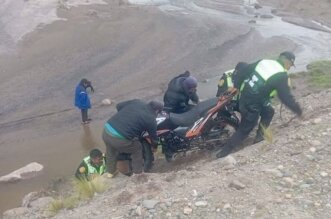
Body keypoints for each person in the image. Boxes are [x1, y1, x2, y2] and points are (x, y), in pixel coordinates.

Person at [216, 51, 303, 158]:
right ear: (287, 61)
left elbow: (244, 70)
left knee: (269, 111)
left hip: (246, 97)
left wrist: (236, 86)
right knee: (245, 128)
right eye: (290, 64)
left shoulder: (264, 62)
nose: (289, 67)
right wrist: (298, 110)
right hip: (253, 103)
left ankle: (259, 137)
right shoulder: (281, 75)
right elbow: (285, 97)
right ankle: (223, 153)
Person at [102, 99, 163, 176]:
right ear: (157, 111)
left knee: (111, 151)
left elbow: (118, 106)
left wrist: (123, 118)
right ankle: (138, 174)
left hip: (107, 129)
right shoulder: (151, 119)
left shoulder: (137, 102)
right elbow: (153, 137)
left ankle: (111, 172)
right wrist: (154, 147)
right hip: (118, 138)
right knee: (137, 148)